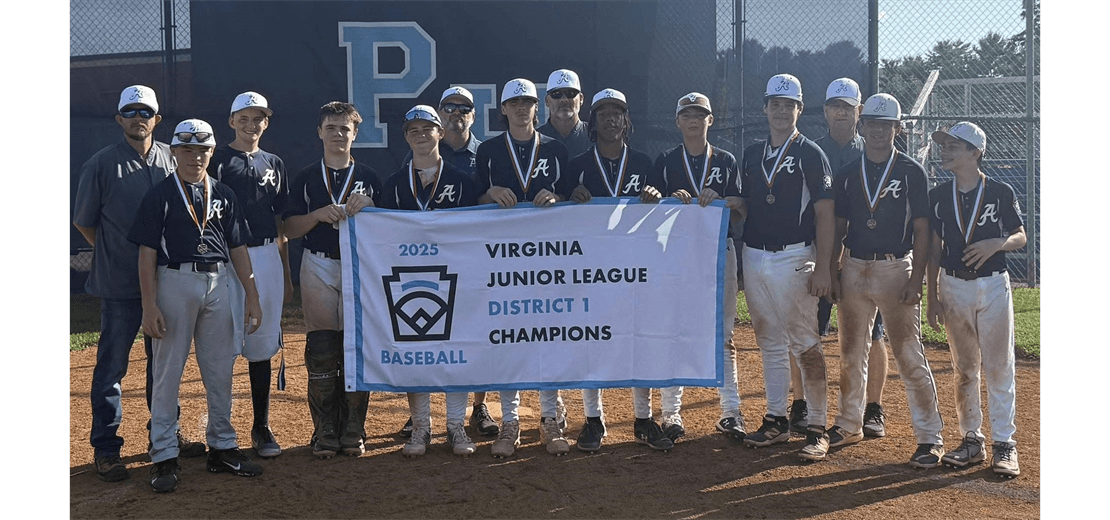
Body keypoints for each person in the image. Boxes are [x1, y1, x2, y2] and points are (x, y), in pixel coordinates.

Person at [73, 85, 205, 483]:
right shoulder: (101, 163)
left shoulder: (173, 156)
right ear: (119, 119)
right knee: (112, 367)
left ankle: (164, 436)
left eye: (144, 111)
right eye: (129, 111)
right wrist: (116, 252)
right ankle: (107, 448)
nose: (137, 117)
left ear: (156, 119)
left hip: (167, 281)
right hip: (119, 285)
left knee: (163, 366)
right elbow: (84, 222)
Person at [128, 119, 265, 493]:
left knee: (221, 368)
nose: (195, 157)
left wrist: (252, 296)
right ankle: (163, 454)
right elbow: (146, 253)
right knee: (169, 370)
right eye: (187, 149)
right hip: (175, 280)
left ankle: (222, 447)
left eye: (202, 149)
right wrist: (149, 304)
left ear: (212, 152)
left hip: (219, 281)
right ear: (174, 152)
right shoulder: (160, 195)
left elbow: (237, 247)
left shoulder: (223, 192)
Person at [825, 93, 946, 468]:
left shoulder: (911, 171)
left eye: (886, 124)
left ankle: (930, 437)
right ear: (862, 127)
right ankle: (849, 423)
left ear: (897, 129)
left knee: (909, 355)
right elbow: (840, 227)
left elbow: (923, 230)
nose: (878, 131)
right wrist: (832, 269)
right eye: (872, 124)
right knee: (850, 353)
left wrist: (920, 281)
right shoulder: (848, 173)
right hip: (855, 267)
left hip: (896, 269)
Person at [557, 88, 671, 452]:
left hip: (634, 265)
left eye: (617, 112)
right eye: (603, 113)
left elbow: (663, 217)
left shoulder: (643, 162)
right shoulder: (577, 165)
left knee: (638, 336)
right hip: (591, 266)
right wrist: (569, 200)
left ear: (626, 120)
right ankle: (594, 419)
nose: (610, 118)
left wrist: (655, 198)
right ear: (593, 122)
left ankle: (643, 417)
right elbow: (558, 217)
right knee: (591, 338)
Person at [738, 74, 835, 462]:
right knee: (770, 342)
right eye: (775, 103)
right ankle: (776, 419)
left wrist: (824, 266)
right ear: (765, 108)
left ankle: (817, 426)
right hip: (755, 254)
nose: (781, 110)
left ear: (799, 109)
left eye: (789, 104)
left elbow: (825, 212)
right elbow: (747, 204)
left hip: (795, 256)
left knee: (805, 343)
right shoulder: (750, 153)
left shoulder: (811, 153)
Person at [396, 87, 498, 440]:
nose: (457, 112)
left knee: (466, 337)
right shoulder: (399, 178)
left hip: (461, 266)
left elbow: (480, 205)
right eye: (450, 107)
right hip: (416, 273)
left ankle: (468, 412)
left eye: (464, 108)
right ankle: (419, 420)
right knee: (417, 338)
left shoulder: (481, 155)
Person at [475, 78, 569, 457]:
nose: (520, 108)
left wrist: (558, 196)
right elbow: (474, 199)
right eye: (513, 102)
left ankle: (549, 418)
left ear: (537, 107)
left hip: (547, 258)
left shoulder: (555, 149)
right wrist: (490, 193)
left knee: (548, 333)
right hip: (503, 259)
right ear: (503, 109)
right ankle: (510, 421)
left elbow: (572, 199)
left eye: (527, 102)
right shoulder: (489, 150)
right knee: (509, 336)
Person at [926, 122, 1025, 479]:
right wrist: (932, 295)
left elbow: (1020, 235)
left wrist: (996, 243)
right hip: (953, 287)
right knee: (964, 368)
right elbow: (934, 249)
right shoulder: (938, 195)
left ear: (975, 153)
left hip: (993, 286)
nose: (946, 150)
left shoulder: (999, 191)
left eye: (955, 146)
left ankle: (1004, 444)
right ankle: (971, 439)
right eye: (945, 145)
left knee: (999, 367)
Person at [382, 105, 481, 457]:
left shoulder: (461, 181)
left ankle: (455, 425)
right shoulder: (393, 185)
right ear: (406, 137)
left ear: (440, 133)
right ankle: (421, 427)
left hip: (454, 277)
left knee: (456, 350)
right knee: (415, 350)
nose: (421, 135)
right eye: (413, 130)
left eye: (428, 128)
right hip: (410, 281)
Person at [284, 102, 381, 458]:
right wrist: (316, 215)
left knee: (355, 347)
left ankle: (353, 427)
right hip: (319, 264)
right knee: (323, 348)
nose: (338, 134)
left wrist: (371, 205)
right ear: (319, 132)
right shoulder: (307, 176)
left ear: (355, 133)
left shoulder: (369, 175)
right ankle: (325, 428)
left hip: (359, 267)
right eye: (331, 127)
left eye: (345, 128)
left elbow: (389, 228)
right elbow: (289, 229)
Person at [651, 92, 746, 445]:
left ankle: (731, 412)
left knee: (723, 335)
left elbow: (742, 208)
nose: (693, 119)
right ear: (678, 122)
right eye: (687, 114)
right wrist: (665, 201)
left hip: (719, 253)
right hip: (675, 256)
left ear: (711, 120)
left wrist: (726, 200)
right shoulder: (664, 161)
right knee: (674, 329)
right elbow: (650, 213)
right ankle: (672, 414)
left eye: (700, 114)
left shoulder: (726, 160)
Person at [798, 78, 891, 439]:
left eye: (847, 106)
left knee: (873, 334)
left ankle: (873, 407)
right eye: (834, 105)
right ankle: (802, 405)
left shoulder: (871, 152)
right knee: (809, 331)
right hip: (817, 255)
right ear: (824, 111)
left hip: (859, 257)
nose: (840, 111)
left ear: (859, 111)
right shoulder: (810, 149)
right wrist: (825, 261)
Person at [209, 91, 290, 458]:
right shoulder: (216, 159)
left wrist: (284, 270)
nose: (251, 123)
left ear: (266, 123)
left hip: (265, 253)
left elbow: (281, 221)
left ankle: (261, 425)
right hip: (224, 259)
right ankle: (220, 428)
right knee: (221, 344)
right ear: (231, 121)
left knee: (260, 346)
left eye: (258, 118)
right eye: (244, 117)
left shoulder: (274, 162)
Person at [538, 69, 592, 158]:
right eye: (557, 94)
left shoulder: (596, 138)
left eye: (570, 93)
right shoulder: (535, 140)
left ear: (581, 99)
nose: (564, 100)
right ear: (547, 101)